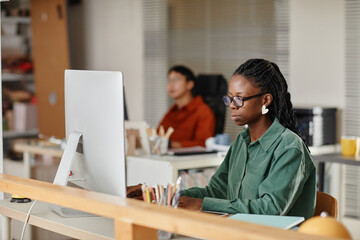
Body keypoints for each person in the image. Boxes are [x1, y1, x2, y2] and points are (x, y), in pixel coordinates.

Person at [178, 59, 316, 219]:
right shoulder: (242, 142)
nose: (232, 105)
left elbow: (270, 209)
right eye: (229, 99)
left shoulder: (289, 147)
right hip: (238, 231)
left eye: (239, 99)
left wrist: (202, 205)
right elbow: (216, 192)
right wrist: (166, 196)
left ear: (265, 100)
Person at [158, 65, 215, 148]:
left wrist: (172, 145)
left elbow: (203, 143)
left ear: (189, 84)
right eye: (169, 80)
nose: (171, 84)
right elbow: (158, 134)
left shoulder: (203, 111)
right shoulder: (173, 110)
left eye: (176, 80)